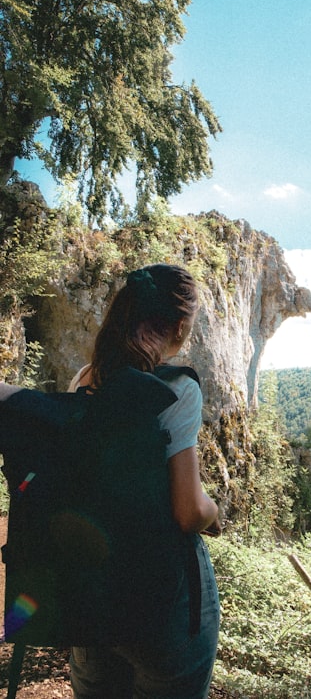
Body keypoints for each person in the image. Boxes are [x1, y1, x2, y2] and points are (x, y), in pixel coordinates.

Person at [67, 263, 221, 699]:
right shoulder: (177, 389)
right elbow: (188, 511)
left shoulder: (85, 380)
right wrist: (215, 511)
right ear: (178, 326)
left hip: (93, 593)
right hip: (161, 603)